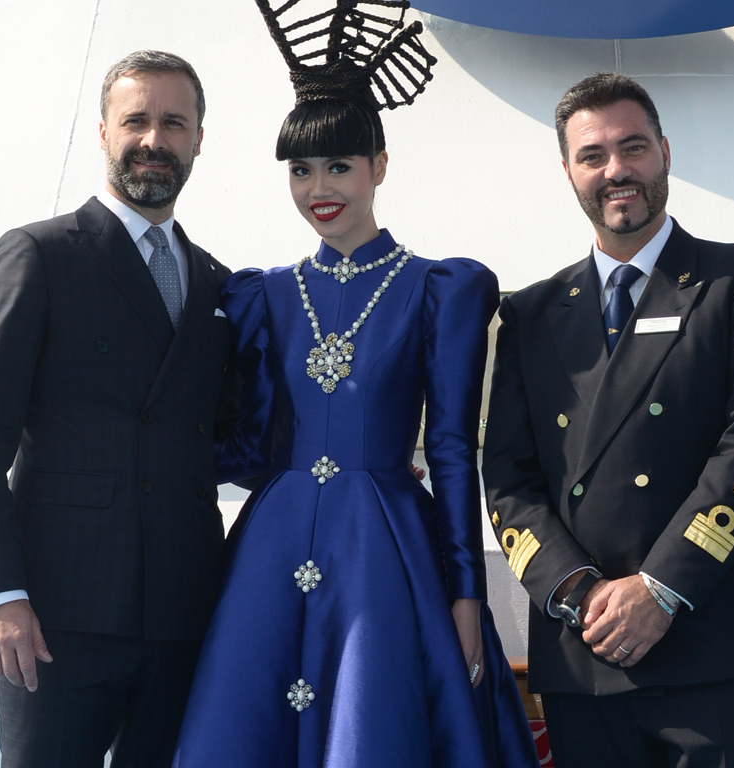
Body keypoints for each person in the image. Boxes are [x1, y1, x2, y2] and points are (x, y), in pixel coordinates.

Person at [171, 2, 537, 766]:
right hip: (271, 543)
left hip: (387, 545)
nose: (318, 188)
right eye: (301, 169)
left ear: (380, 165)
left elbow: (449, 446)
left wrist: (466, 594)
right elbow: (241, 436)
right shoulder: (258, 295)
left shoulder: (440, 290)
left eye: (338, 165)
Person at [482, 72, 734, 768]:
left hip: (715, 648)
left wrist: (661, 587)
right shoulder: (530, 314)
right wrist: (577, 593)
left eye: (632, 148)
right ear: (568, 171)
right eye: (593, 155)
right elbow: (508, 479)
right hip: (586, 655)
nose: (616, 170)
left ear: (664, 151)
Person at [0, 50, 234, 767]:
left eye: (173, 123)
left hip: (184, 621)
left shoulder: (219, 284)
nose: (154, 139)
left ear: (198, 139)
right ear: (103, 132)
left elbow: (231, 437)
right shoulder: (39, 254)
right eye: (137, 120)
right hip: (53, 622)